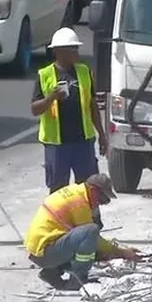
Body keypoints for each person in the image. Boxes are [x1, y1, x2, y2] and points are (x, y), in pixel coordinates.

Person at [25, 173, 142, 290]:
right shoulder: (79, 203)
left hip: (40, 250)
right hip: (46, 252)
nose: (101, 203)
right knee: (90, 232)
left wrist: (109, 251)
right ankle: (77, 280)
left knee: (88, 247)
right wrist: (122, 252)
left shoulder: (76, 192)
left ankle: (52, 273)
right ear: (93, 190)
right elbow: (93, 238)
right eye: (102, 199)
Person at [31, 27, 108, 193]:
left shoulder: (84, 71)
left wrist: (102, 134)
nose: (77, 52)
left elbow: (92, 105)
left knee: (89, 188)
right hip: (57, 146)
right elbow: (35, 109)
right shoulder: (45, 75)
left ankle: (92, 219)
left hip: (83, 143)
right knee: (59, 190)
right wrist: (51, 98)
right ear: (59, 52)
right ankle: (58, 220)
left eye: (76, 48)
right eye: (72, 49)